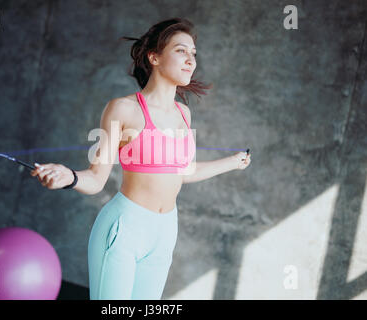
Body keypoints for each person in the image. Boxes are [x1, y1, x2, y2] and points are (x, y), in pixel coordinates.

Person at [30, 17, 251, 300]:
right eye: (181, 50)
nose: (191, 60)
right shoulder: (123, 109)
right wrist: (68, 177)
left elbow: (183, 170)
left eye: (193, 54)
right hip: (125, 227)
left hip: (165, 230)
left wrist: (233, 162)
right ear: (154, 57)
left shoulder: (184, 113)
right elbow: (96, 179)